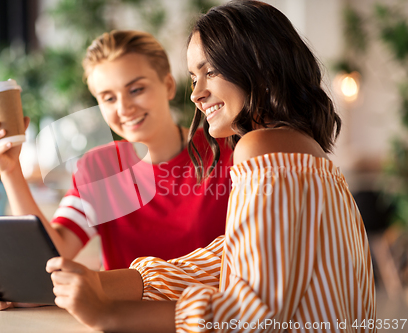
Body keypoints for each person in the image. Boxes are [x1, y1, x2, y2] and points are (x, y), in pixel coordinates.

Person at [40, 1, 377, 332]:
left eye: (210, 71)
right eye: (193, 76)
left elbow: (254, 313)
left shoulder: (258, 148)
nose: (196, 94)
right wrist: (96, 284)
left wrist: (109, 316)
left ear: (259, 67)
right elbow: (222, 260)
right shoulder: (292, 149)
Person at [0, 30, 232, 310]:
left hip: (204, 321)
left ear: (168, 85)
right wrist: (10, 170)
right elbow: (54, 251)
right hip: (118, 322)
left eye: (136, 89)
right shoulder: (99, 168)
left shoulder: (227, 153)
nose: (124, 108)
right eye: (108, 98)